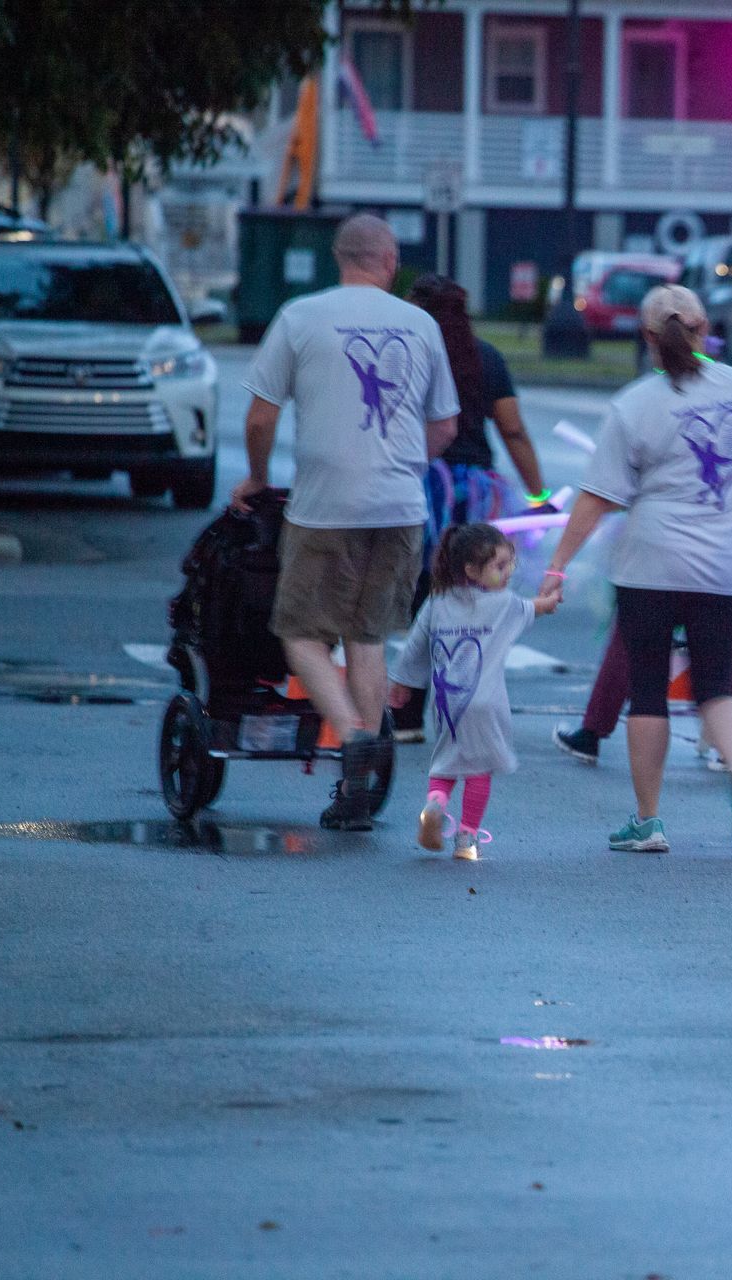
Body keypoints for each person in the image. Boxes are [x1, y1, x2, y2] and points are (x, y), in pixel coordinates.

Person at [232, 214, 460, 830]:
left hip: (323, 509)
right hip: (399, 510)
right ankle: (361, 781)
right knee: (367, 636)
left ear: (340, 259)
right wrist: (402, 465)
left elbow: (260, 418)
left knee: (300, 631)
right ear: (389, 262)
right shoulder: (421, 325)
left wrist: (256, 477)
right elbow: (445, 426)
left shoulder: (301, 317)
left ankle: (355, 736)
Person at [535, 285, 732, 857]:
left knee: (648, 689)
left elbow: (596, 497)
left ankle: (648, 822)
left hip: (650, 564)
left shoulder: (635, 405)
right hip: (727, 565)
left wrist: (558, 565)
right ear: (704, 329)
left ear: (647, 338)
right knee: (715, 680)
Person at [393, 274, 553, 741]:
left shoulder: (410, 356)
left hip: (419, 485)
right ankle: (469, 707)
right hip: (476, 492)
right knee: (475, 596)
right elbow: (513, 430)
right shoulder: (486, 358)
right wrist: (538, 495)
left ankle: (405, 714)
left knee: (423, 592)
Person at [389, 523, 554, 859]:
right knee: (479, 770)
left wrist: (402, 684)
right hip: (487, 704)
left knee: (446, 763)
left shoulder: (436, 603)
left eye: (509, 564)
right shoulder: (505, 604)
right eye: (499, 566)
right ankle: (466, 839)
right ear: (472, 570)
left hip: (445, 703)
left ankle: (434, 805)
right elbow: (537, 607)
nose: (507, 572)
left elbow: (414, 648)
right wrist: (551, 598)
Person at [552, 623, 732, 764]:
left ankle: (593, 732)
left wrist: (557, 568)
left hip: (662, 572)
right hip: (719, 572)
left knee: (629, 635)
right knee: (722, 642)